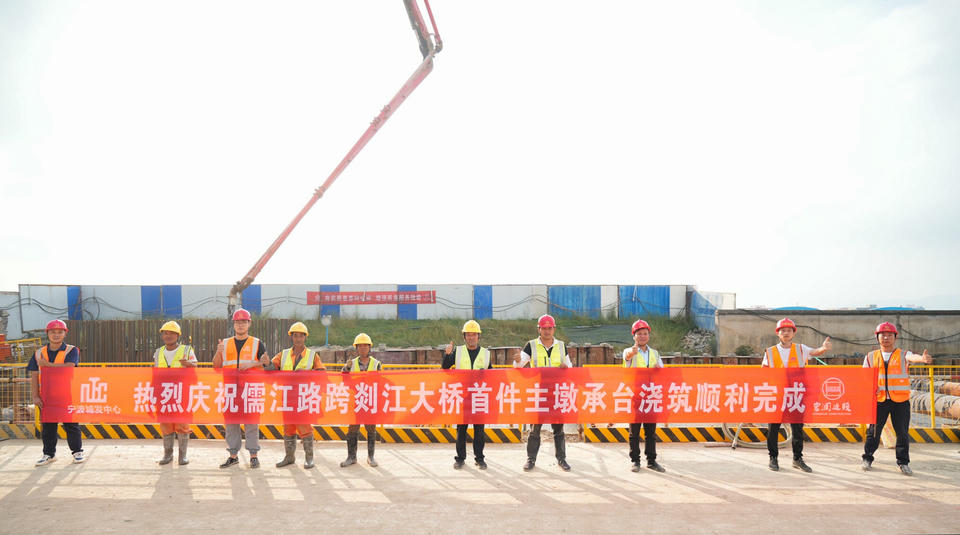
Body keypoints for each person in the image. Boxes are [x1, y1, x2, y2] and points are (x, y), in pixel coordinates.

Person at [761, 318, 831, 472]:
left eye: (789, 330)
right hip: (778, 395)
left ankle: (797, 459)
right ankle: (773, 458)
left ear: (793, 333)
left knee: (797, 428)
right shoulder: (770, 352)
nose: (786, 333)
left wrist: (824, 348)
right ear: (778, 333)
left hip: (796, 394)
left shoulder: (801, 349)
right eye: (783, 330)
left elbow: (815, 352)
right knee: (773, 428)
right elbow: (764, 372)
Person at [861, 322, 932, 476]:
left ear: (895, 337)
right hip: (879, 400)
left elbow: (912, 357)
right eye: (883, 335)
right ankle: (867, 458)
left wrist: (922, 359)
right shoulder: (870, 356)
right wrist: (870, 388)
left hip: (900, 401)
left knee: (902, 433)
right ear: (877, 337)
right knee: (873, 431)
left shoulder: (903, 354)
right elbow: (864, 377)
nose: (886, 338)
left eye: (889, 335)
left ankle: (903, 462)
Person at [212, 308, 271, 469]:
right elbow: (216, 366)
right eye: (237, 322)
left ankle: (253, 456)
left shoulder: (257, 343)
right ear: (233, 324)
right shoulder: (224, 344)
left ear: (249, 324)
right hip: (231, 390)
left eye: (244, 321)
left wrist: (252, 364)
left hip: (250, 390)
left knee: (251, 423)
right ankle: (233, 456)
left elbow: (267, 363)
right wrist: (218, 352)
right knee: (232, 424)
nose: (240, 325)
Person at [513, 314, 573, 472]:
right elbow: (518, 365)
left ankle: (561, 459)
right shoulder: (531, 345)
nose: (547, 331)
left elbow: (570, 367)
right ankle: (531, 459)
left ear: (554, 329)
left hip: (556, 392)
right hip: (538, 392)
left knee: (558, 428)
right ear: (539, 329)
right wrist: (517, 360)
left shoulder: (561, 346)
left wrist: (565, 368)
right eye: (544, 328)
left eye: (550, 328)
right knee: (535, 429)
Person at [29, 319, 84, 466]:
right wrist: (35, 396)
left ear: (65, 334)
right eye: (53, 332)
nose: (56, 335)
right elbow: (34, 375)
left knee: (71, 424)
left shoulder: (71, 350)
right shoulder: (38, 353)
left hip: (67, 394)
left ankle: (77, 452)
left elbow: (69, 367)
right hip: (46, 396)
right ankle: (49, 454)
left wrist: (47, 365)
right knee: (48, 426)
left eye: (60, 332)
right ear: (47, 333)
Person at [273, 321, 326, 469]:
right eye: (295, 336)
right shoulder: (283, 354)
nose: (298, 339)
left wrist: (307, 374)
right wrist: (265, 363)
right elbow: (272, 367)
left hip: (304, 397)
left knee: (305, 427)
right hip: (287, 397)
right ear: (291, 337)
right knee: (288, 428)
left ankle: (309, 458)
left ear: (305, 337)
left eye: (301, 336)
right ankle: (289, 457)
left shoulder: (312, 355)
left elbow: (322, 373)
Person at [442, 320, 492, 470]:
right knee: (461, 429)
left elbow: (492, 375)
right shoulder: (457, 351)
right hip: (462, 396)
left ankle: (479, 458)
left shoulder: (486, 354)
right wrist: (447, 355)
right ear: (464, 337)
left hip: (479, 396)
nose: (471, 338)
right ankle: (460, 458)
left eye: (474, 335)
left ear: (478, 336)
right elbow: (445, 368)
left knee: (479, 430)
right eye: (468, 335)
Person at [622, 319, 665, 473]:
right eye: (639, 334)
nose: (642, 336)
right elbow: (627, 358)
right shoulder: (629, 351)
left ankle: (651, 461)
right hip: (636, 396)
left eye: (645, 333)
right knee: (634, 431)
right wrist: (632, 353)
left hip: (651, 396)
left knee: (650, 432)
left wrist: (658, 369)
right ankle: (635, 461)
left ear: (649, 335)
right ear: (634, 336)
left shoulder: (655, 353)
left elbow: (663, 371)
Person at [153, 320, 197, 465]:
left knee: (182, 425)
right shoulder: (158, 352)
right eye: (165, 333)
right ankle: (168, 455)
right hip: (164, 394)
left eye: (172, 333)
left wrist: (188, 364)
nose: (168, 336)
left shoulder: (186, 350)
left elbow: (195, 365)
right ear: (162, 336)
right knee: (166, 425)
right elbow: (155, 373)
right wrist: (153, 392)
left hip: (181, 393)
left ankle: (182, 456)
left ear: (178, 335)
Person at [340, 333, 381, 468]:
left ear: (369, 347)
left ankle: (371, 457)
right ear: (356, 348)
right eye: (360, 346)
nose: (363, 348)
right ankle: (351, 457)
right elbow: (344, 379)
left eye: (365, 346)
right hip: (355, 401)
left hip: (370, 401)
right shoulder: (351, 364)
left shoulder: (376, 364)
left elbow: (380, 383)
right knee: (352, 429)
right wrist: (346, 368)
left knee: (371, 428)